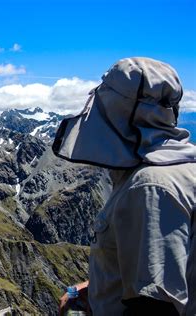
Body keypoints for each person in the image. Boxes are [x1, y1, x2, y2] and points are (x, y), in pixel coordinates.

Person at [53, 57, 195, 315]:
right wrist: (92, 288)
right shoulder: (181, 168)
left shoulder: (149, 187)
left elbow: (155, 307)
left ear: (118, 112)